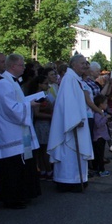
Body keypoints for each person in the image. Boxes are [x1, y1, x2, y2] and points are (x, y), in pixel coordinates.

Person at [0, 53, 41, 209]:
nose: (24, 68)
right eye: (21, 65)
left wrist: (28, 102)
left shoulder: (12, 82)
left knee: (21, 166)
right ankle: (13, 198)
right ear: (12, 66)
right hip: (10, 133)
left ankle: (22, 195)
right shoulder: (3, 84)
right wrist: (29, 105)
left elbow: (16, 103)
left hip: (18, 131)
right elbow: (10, 109)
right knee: (12, 168)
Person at [47, 54, 94, 191]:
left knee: (75, 155)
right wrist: (74, 120)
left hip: (77, 121)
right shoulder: (69, 79)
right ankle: (68, 181)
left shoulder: (74, 79)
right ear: (73, 65)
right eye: (82, 63)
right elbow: (67, 103)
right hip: (71, 124)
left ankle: (78, 179)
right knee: (69, 153)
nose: (85, 65)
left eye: (86, 63)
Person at [91, 93, 111, 177]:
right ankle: (101, 170)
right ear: (100, 104)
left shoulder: (101, 113)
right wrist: (106, 118)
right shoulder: (97, 114)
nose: (106, 105)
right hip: (99, 137)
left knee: (99, 154)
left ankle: (97, 169)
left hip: (101, 137)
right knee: (100, 155)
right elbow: (99, 124)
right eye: (105, 103)